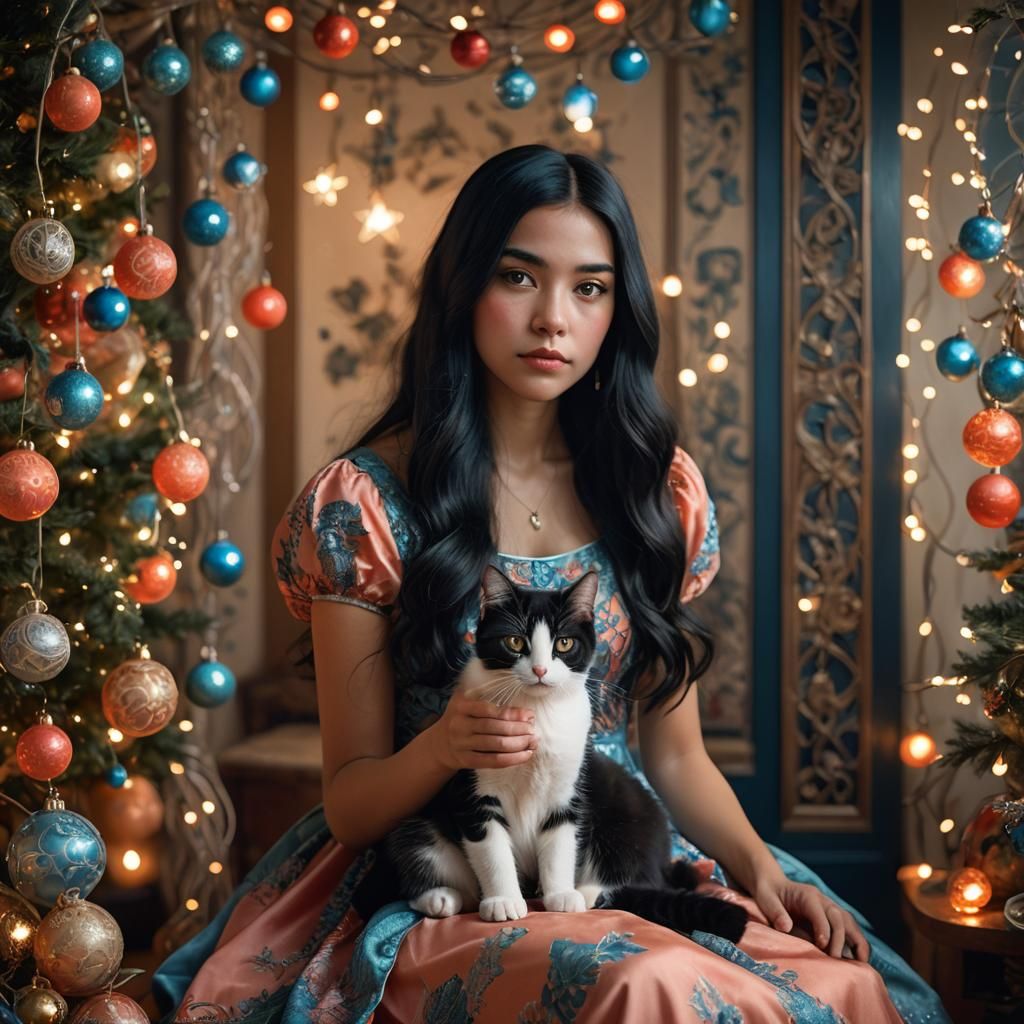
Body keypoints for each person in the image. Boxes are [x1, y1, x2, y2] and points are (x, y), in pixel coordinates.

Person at [153, 145, 949, 1023]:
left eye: (590, 287)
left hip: (612, 849)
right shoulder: (363, 504)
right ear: (464, 288)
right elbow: (351, 804)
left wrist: (760, 871)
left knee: (843, 985)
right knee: (646, 985)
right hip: (444, 868)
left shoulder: (656, 491)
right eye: (519, 277)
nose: (552, 320)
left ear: (618, 309)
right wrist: (447, 747)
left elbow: (676, 758)